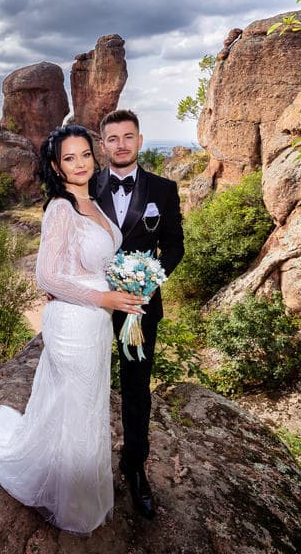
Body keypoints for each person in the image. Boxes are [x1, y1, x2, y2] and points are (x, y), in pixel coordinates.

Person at [0, 124, 146, 535]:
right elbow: (47, 277)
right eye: (69, 158)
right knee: (76, 400)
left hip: (96, 324)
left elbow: (95, 263)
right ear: (56, 166)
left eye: (85, 155)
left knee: (86, 401)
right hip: (73, 323)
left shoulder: (96, 204)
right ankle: (71, 499)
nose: (79, 164)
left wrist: (124, 284)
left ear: (95, 156)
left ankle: (76, 483)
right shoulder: (60, 209)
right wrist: (104, 298)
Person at [94, 109, 184, 518]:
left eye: (128, 137)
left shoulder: (164, 190)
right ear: (103, 144)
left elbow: (175, 246)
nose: (121, 145)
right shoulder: (83, 187)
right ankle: (83, 462)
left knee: (135, 387)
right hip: (92, 307)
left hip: (141, 308)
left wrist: (144, 284)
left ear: (140, 140)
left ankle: (135, 465)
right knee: (87, 382)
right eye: (112, 138)